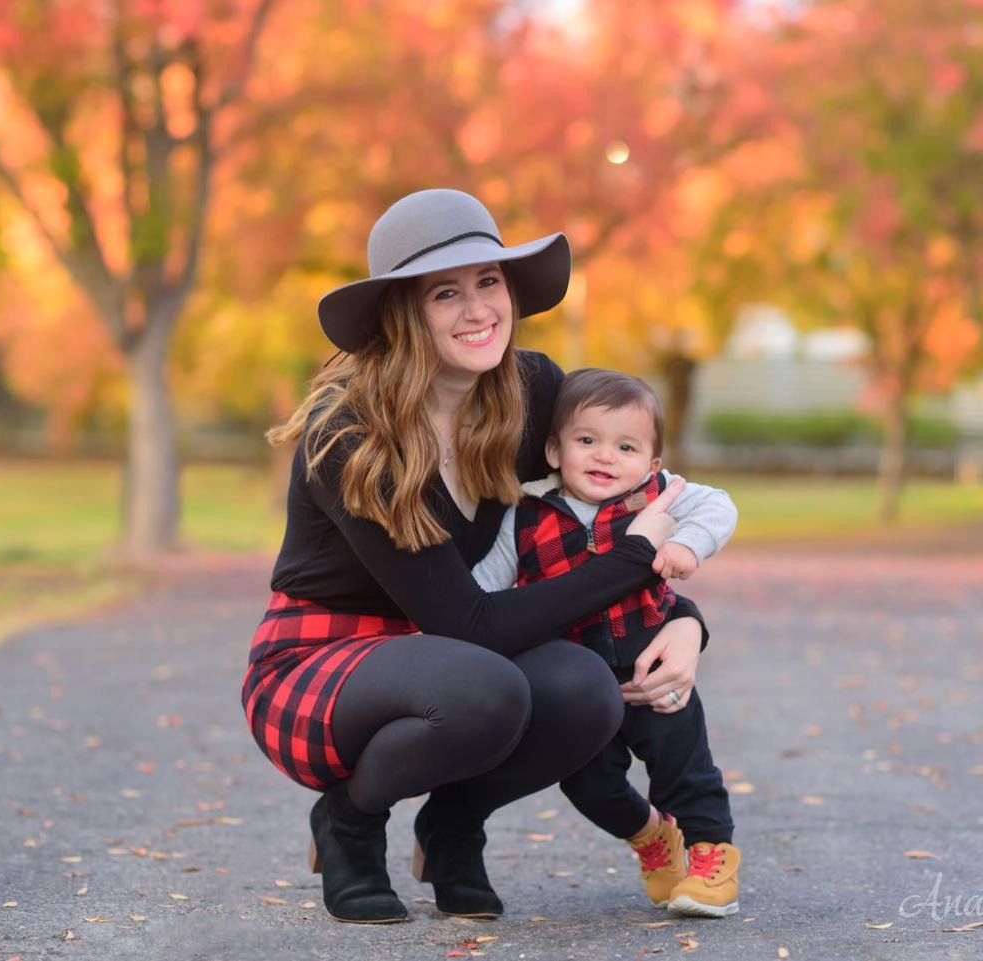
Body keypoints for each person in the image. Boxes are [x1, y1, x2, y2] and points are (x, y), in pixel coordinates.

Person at [241, 188, 709, 924]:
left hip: (456, 646)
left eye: (488, 281)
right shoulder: (350, 432)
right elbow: (470, 624)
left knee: (584, 686)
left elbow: (615, 508)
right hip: (322, 658)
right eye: (445, 293)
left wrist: (683, 618)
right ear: (403, 311)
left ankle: (452, 824)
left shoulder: (528, 390)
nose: (478, 309)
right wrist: (630, 562)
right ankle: (350, 820)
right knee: (485, 686)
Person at [471, 367, 742, 918]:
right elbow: (486, 587)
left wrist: (688, 545)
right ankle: (649, 838)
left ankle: (711, 862)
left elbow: (720, 508)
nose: (605, 457)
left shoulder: (660, 497)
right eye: (586, 440)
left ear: (652, 463)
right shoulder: (525, 515)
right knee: (587, 784)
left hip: (651, 666)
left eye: (626, 446)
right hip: (579, 688)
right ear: (554, 449)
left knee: (684, 768)